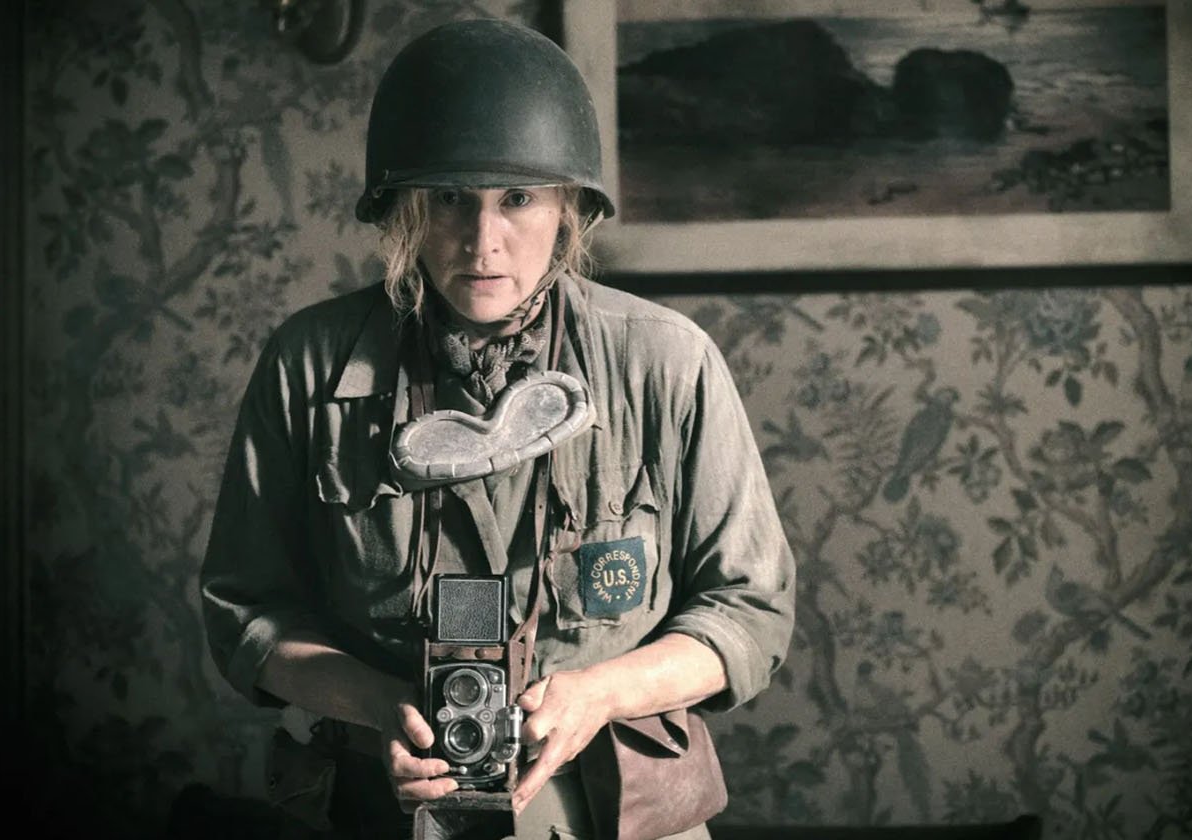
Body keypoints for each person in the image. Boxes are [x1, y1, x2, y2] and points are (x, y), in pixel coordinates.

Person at [199, 17, 795, 840]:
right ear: (405, 207)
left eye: (517, 199)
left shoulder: (668, 364)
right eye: (451, 201)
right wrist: (380, 705)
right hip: (376, 811)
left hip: (621, 820)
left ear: (568, 209)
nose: (483, 243)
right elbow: (245, 612)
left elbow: (751, 611)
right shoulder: (310, 366)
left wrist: (599, 695)